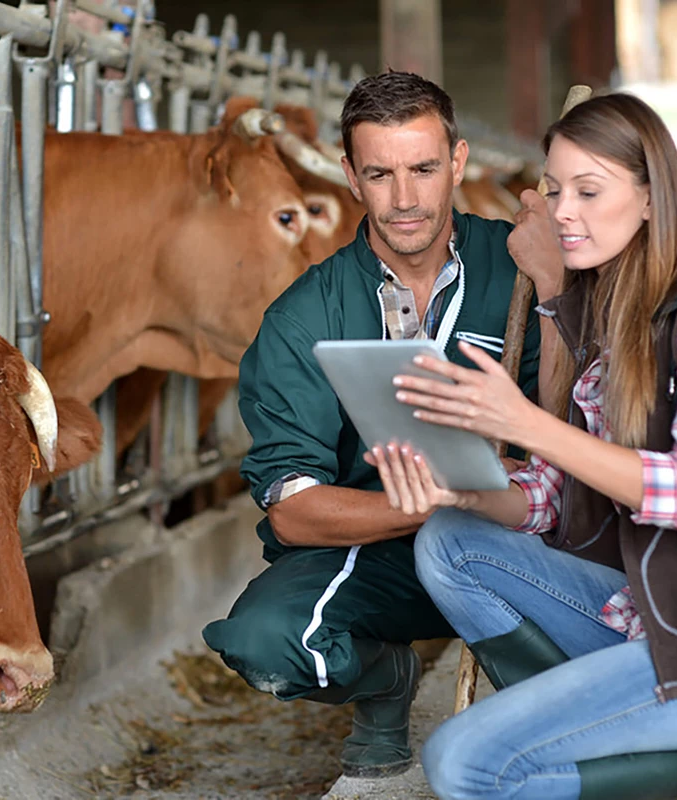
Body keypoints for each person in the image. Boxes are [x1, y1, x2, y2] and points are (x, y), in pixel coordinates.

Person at [202, 70, 554, 782]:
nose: (405, 198)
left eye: (424, 169)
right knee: (266, 640)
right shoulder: (305, 316)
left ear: (457, 162)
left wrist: (558, 288)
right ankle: (384, 679)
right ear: (349, 176)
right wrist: (426, 503)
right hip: (382, 545)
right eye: (380, 173)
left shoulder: (522, 264)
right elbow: (296, 513)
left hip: (520, 537)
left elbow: (599, 411)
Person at [373, 91, 677, 800]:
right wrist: (462, 485)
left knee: (463, 762)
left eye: (588, 190)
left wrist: (524, 422)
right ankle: (578, 722)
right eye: (554, 188)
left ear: (649, 198)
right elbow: (556, 491)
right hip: (645, 614)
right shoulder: (613, 308)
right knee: (452, 539)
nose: (562, 211)